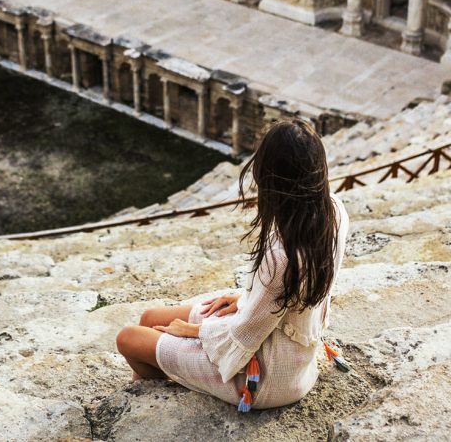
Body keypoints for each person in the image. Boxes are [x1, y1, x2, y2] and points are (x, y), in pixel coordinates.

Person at [115, 119, 349, 411]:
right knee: (151, 317)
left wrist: (194, 332)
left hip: (266, 380)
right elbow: (290, 295)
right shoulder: (334, 210)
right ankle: (158, 374)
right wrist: (245, 299)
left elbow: (243, 336)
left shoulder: (281, 255)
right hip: (292, 356)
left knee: (128, 339)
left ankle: (148, 394)